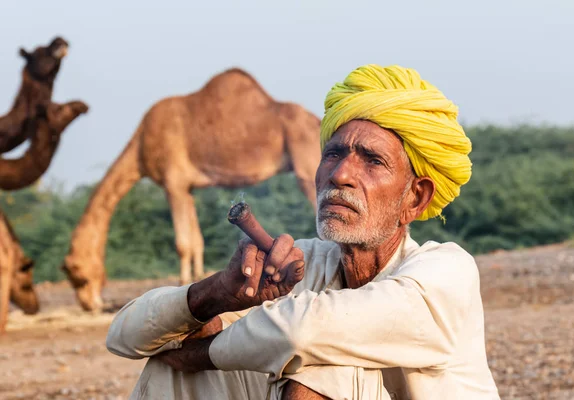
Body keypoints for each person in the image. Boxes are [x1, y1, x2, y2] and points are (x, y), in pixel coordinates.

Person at [106, 64, 500, 400]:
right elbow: (124, 338)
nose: (340, 174)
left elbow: (302, 330)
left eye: (372, 161)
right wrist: (217, 293)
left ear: (415, 198)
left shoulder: (448, 271)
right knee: (172, 359)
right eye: (333, 153)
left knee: (324, 362)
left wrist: (201, 354)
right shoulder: (307, 262)